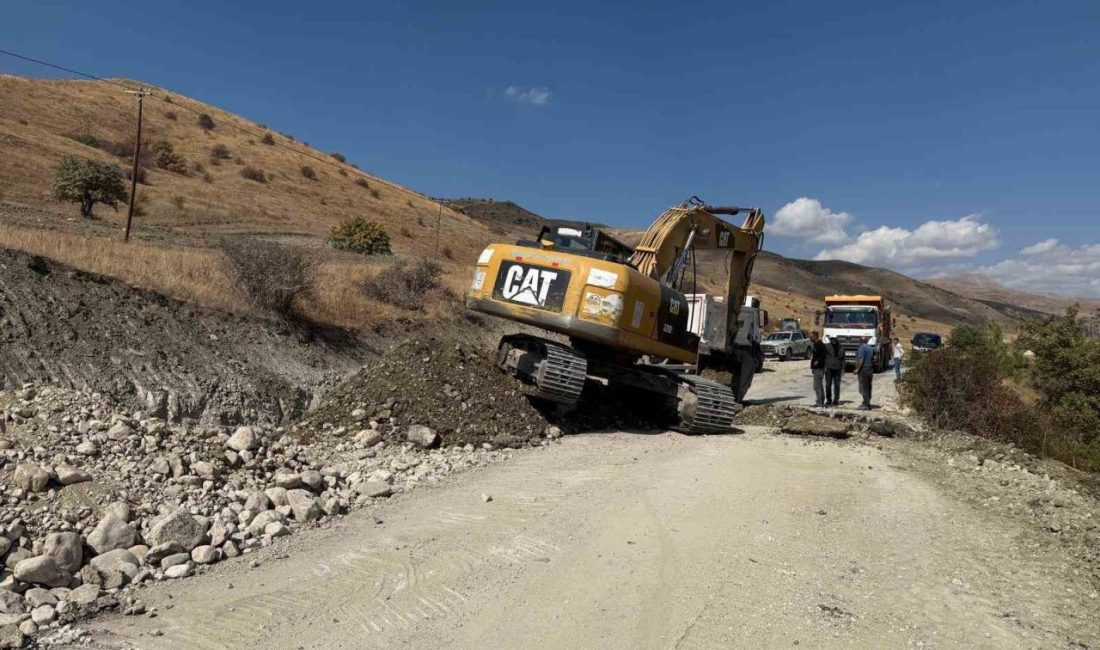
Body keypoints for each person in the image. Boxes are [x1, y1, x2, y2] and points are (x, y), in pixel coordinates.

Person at [854, 336, 876, 410]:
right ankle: (867, 402)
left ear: (860, 341)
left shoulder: (861, 348)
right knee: (868, 386)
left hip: (864, 370)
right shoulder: (871, 348)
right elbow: (874, 357)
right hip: (870, 369)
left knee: (863, 387)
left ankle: (866, 404)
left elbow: (861, 359)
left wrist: (857, 369)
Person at [823, 335, 843, 406]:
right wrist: (824, 366)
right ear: (830, 339)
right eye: (832, 339)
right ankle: (828, 399)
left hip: (837, 368)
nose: (833, 341)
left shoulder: (841, 347)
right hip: (828, 368)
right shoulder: (827, 346)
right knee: (828, 385)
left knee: (837, 385)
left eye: (834, 339)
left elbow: (843, 359)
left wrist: (843, 368)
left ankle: (836, 399)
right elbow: (823, 356)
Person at [809, 331, 827, 407]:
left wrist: (817, 362)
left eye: (811, 336)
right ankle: (820, 401)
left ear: (815, 337)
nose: (810, 338)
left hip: (819, 368)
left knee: (817, 385)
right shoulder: (816, 344)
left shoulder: (819, 345)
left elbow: (822, 356)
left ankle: (820, 402)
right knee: (817, 385)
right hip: (817, 368)